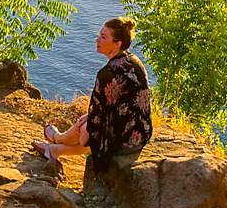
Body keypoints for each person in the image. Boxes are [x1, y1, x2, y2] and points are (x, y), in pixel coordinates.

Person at [31, 17, 152, 170]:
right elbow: (113, 108)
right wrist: (89, 119)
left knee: (85, 128)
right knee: (88, 123)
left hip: (123, 140)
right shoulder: (133, 61)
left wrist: (84, 126)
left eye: (103, 37)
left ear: (117, 44)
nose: (97, 40)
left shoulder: (106, 74)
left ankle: (56, 138)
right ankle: (54, 149)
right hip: (141, 133)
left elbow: (94, 120)